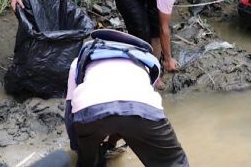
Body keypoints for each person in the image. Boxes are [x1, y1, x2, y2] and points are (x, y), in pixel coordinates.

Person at [65, 29, 189, 167]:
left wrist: (81, 148)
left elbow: (70, 110)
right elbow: (132, 112)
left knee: (89, 162)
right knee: (174, 163)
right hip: (142, 108)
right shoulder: (145, 60)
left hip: (88, 111)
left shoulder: (79, 60)